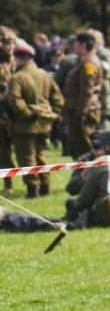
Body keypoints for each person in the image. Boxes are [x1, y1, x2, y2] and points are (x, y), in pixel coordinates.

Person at [6, 42, 64, 198]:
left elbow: (15, 100)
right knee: (40, 155)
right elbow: (58, 98)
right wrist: (51, 114)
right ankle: (45, 185)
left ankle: (33, 189)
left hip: (25, 126)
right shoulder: (44, 74)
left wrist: (27, 114)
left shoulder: (17, 78)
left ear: (19, 59)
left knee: (26, 157)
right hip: (45, 124)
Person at [61, 32, 103, 158]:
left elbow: (87, 92)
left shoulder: (88, 64)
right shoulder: (83, 62)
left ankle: (88, 176)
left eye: (76, 44)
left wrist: (81, 115)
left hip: (81, 113)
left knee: (84, 148)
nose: (73, 46)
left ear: (83, 45)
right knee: (78, 147)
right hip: (77, 110)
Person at [0, 25, 18, 194]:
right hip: (1, 112)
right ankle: (8, 183)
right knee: (3, 149)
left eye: (12, 42)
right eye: (7, 43)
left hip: (14, 111)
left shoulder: (14, 60)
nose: (11, 46)